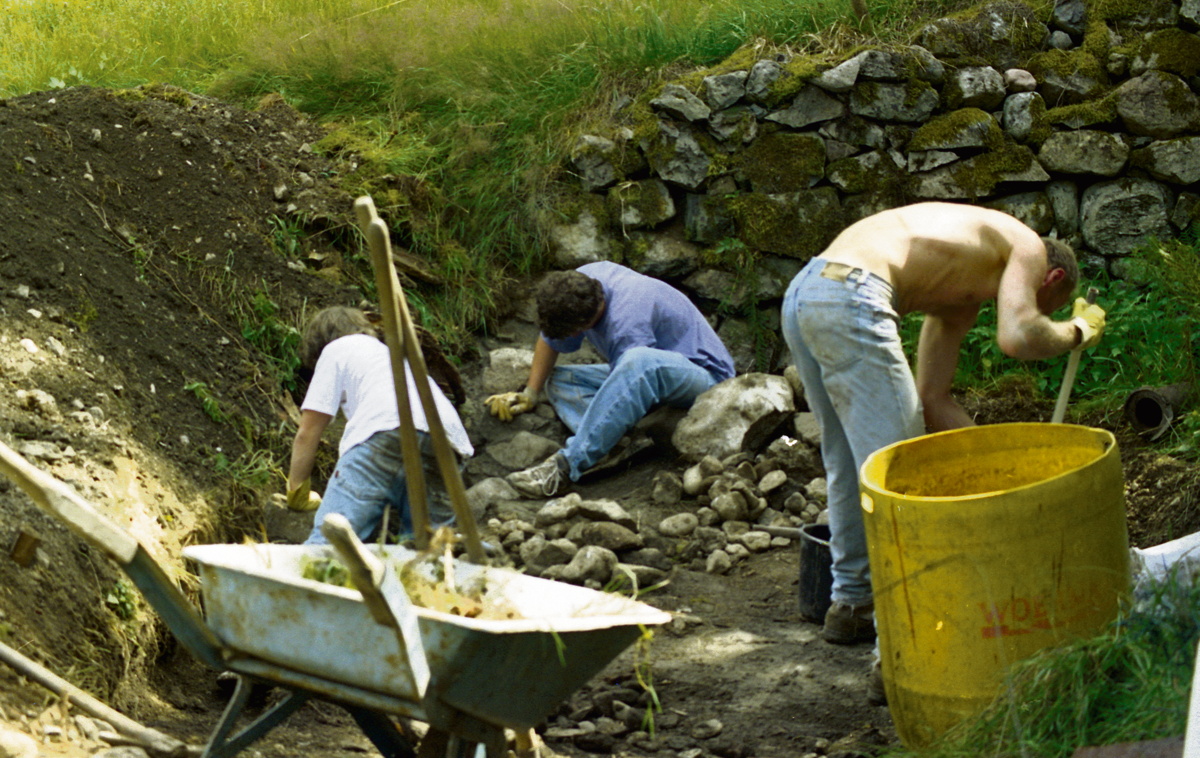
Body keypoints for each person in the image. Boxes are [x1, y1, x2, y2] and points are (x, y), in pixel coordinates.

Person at [780, 202, 1106, 702]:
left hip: (808, 290)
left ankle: (852, 605)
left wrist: (993, 476)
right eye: (1050, 304)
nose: (1042, 311)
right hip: (850, 294)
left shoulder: (959, 292)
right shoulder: (1028, 247)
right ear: (1052, 277)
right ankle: (898, 656)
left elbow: (934, 398)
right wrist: (1076, 332)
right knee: (901, 477)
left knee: (855, 464)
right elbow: (1019, 335)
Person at [486, 261, 736, 497]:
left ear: (584, 325)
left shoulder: (627, 322)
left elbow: (631, 382)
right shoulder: (579, 283)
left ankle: (565, 467)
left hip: (707, 379)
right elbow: (549, 340)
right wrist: (530, 393)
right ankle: (614, 443)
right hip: (655, 373)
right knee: (560, 379)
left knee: (638, 361)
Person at [285, 306, 474, 545]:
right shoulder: (391, 356)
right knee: (426, 552)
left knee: (330, 543)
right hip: (447, 441)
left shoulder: (336, 349)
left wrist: (296, 490)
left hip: (388, 427)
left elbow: (308, 431)